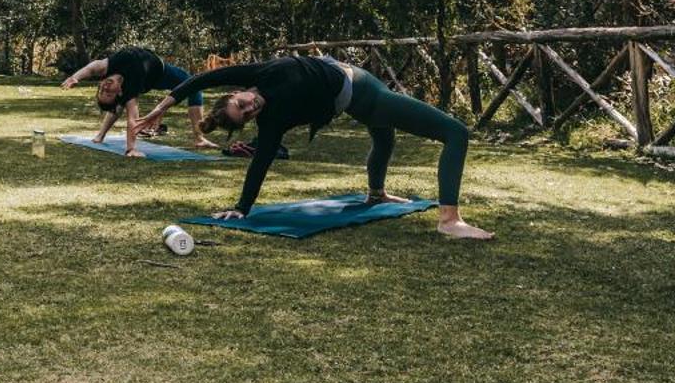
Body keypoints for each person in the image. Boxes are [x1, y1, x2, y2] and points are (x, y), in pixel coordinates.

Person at [134, 54, 494, 240]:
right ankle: (450, 219)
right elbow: (260, 161)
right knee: (455, 132)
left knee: (383, 137)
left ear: (236, 92)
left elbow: (204, 77)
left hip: (360, 87)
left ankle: (376, 193)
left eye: (241, 103)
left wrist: (160, 108)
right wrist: (242, 207)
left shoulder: (261, 74)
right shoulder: (272, 121)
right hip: (367, 96)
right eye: (244, 115)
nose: (249, 108)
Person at [60, 46, 217, 155]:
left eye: (101, 90)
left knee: (118, 105)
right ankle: (199, 138)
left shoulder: (107, 68)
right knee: (194, 85)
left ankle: (100, 135)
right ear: (119, 91)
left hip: (154, 66)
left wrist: (75, 77)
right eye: (108, 93)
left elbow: (91, 68)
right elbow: (132, 119)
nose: (105, 88)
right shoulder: (129, 90)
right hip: (161, 75)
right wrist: (131, 149)